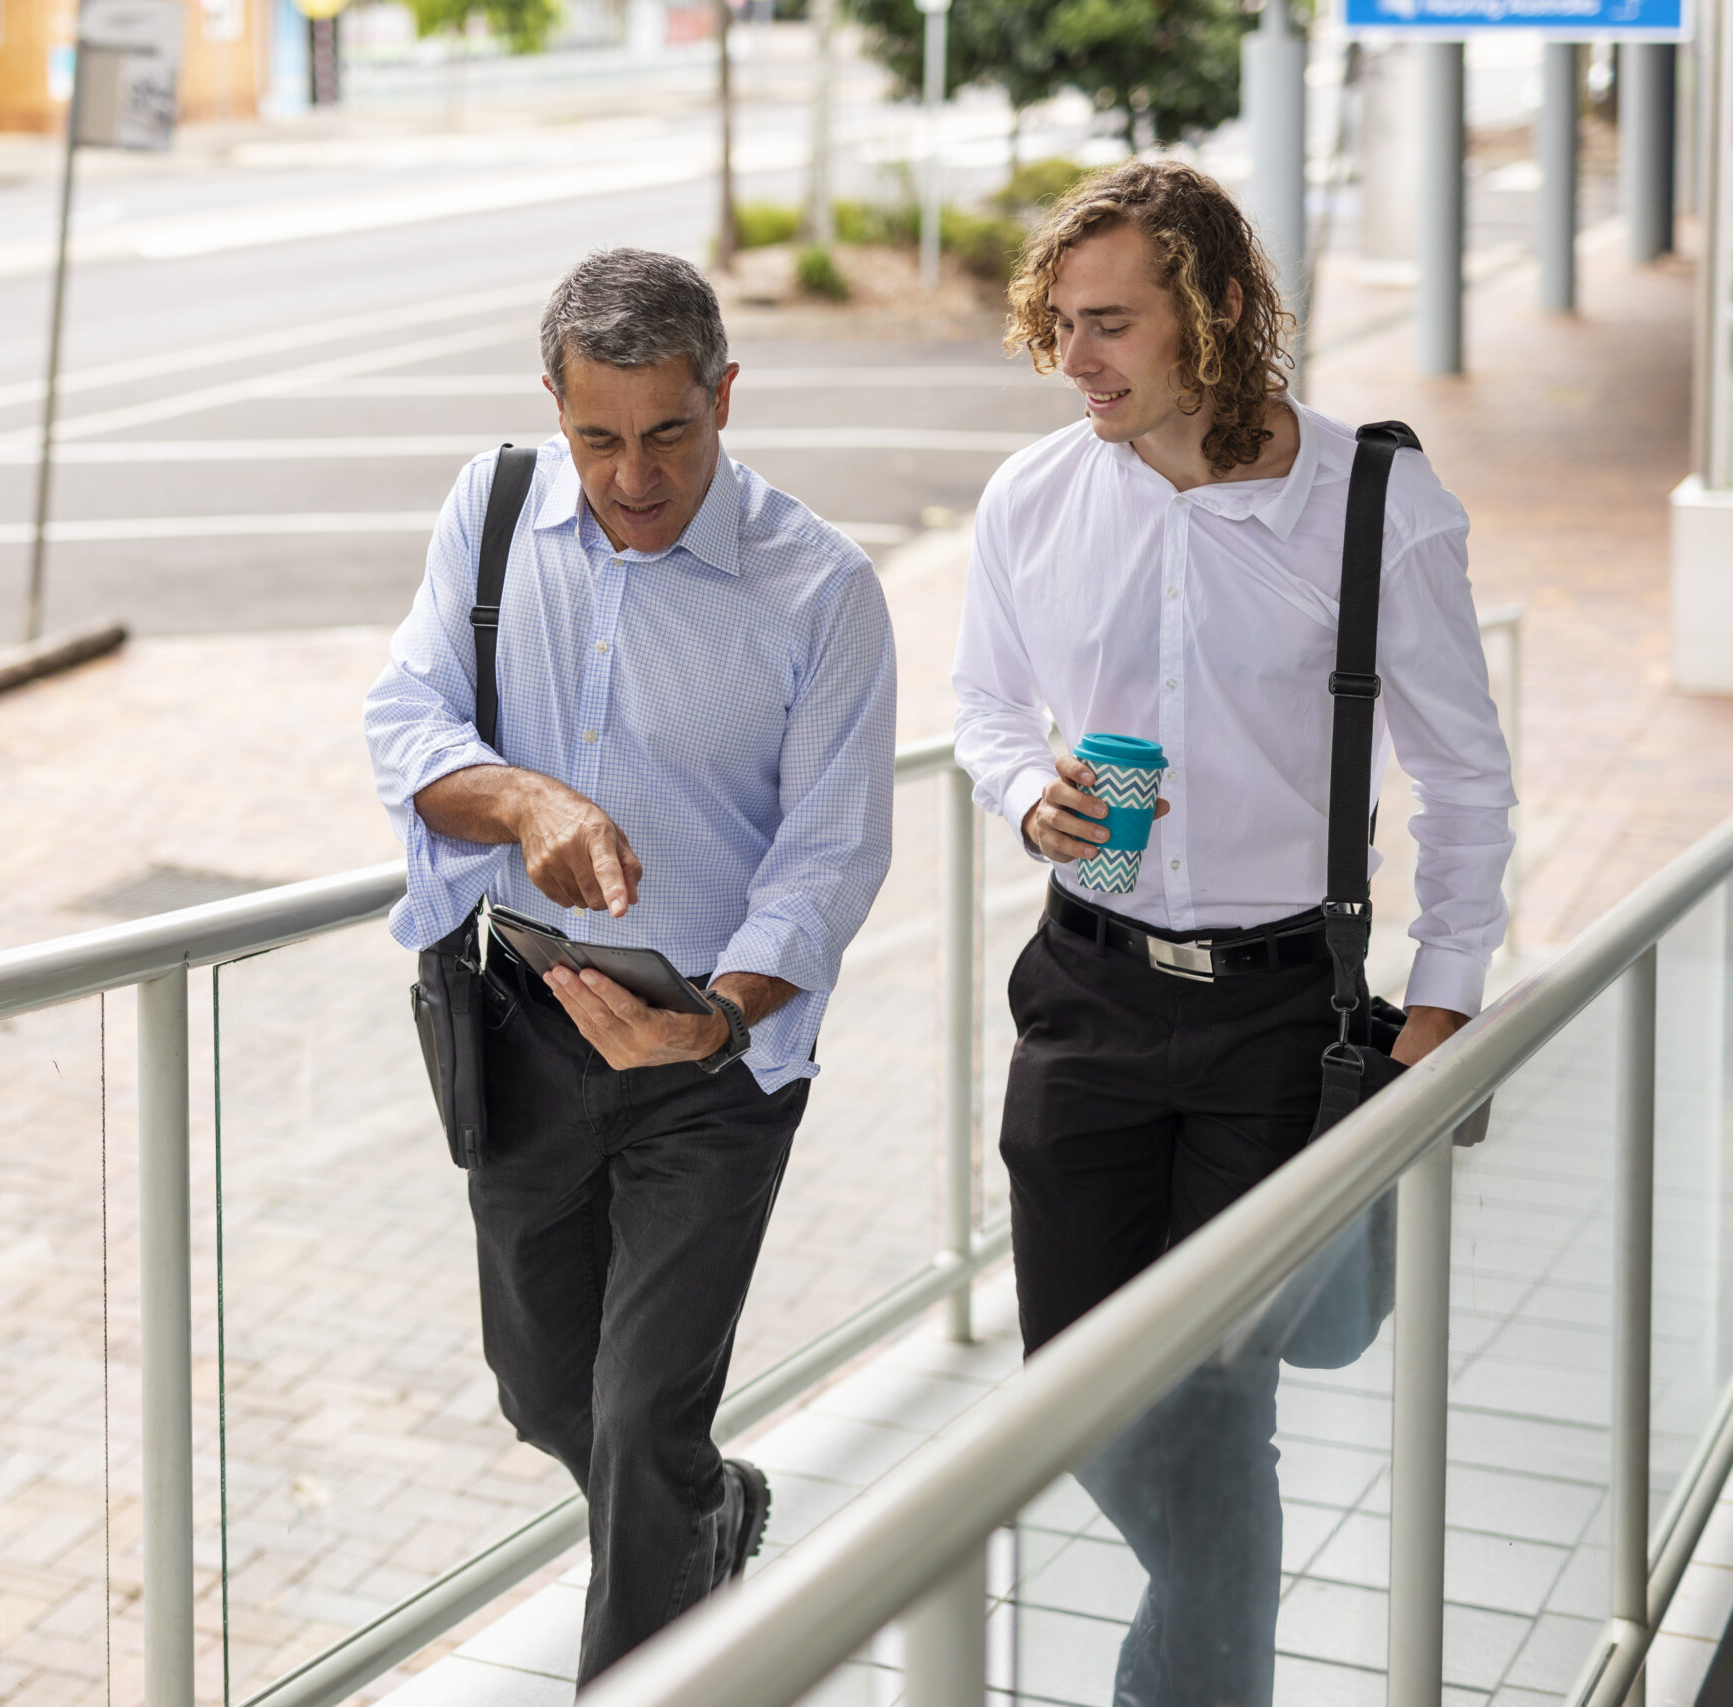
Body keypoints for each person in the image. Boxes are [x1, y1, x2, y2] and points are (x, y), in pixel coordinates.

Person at [951, 160, 1515, 1705]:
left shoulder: (1377, 507)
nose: (1077, 361)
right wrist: (1023, 793)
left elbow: (1466, 773)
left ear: (1222, 315)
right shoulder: (1034, 498)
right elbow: (987, 705)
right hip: (1085, 993)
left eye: (1114, 324)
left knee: (1214, 1405)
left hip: (1283, 1019)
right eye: (1061, 325)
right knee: (1077, 1386)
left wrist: (1446, 1004)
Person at [364, 247, 897, 1686]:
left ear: (726, 396)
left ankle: (653, 1640)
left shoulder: (821, 589)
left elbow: (833, 853)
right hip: (523, 1031)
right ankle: (714, 1517)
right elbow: (405, 725)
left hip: (710, 1062)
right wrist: (527, 800)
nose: (633, 476)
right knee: (545, 1395)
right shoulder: (487, 513)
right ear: (554, 405)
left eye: (671, 432)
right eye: (598, 437)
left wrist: (720, 1021)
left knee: (641, 1421)